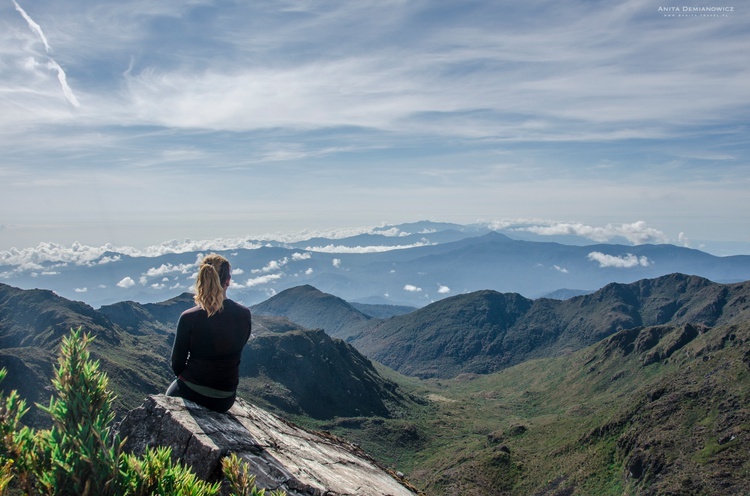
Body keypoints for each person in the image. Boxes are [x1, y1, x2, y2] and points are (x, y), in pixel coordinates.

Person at [166, 253, 251, 413]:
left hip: (190, 391)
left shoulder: (189, 317)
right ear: (228, 281)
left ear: (202, 279)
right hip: (225, 399)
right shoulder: (244, 314)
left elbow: (177, 365)